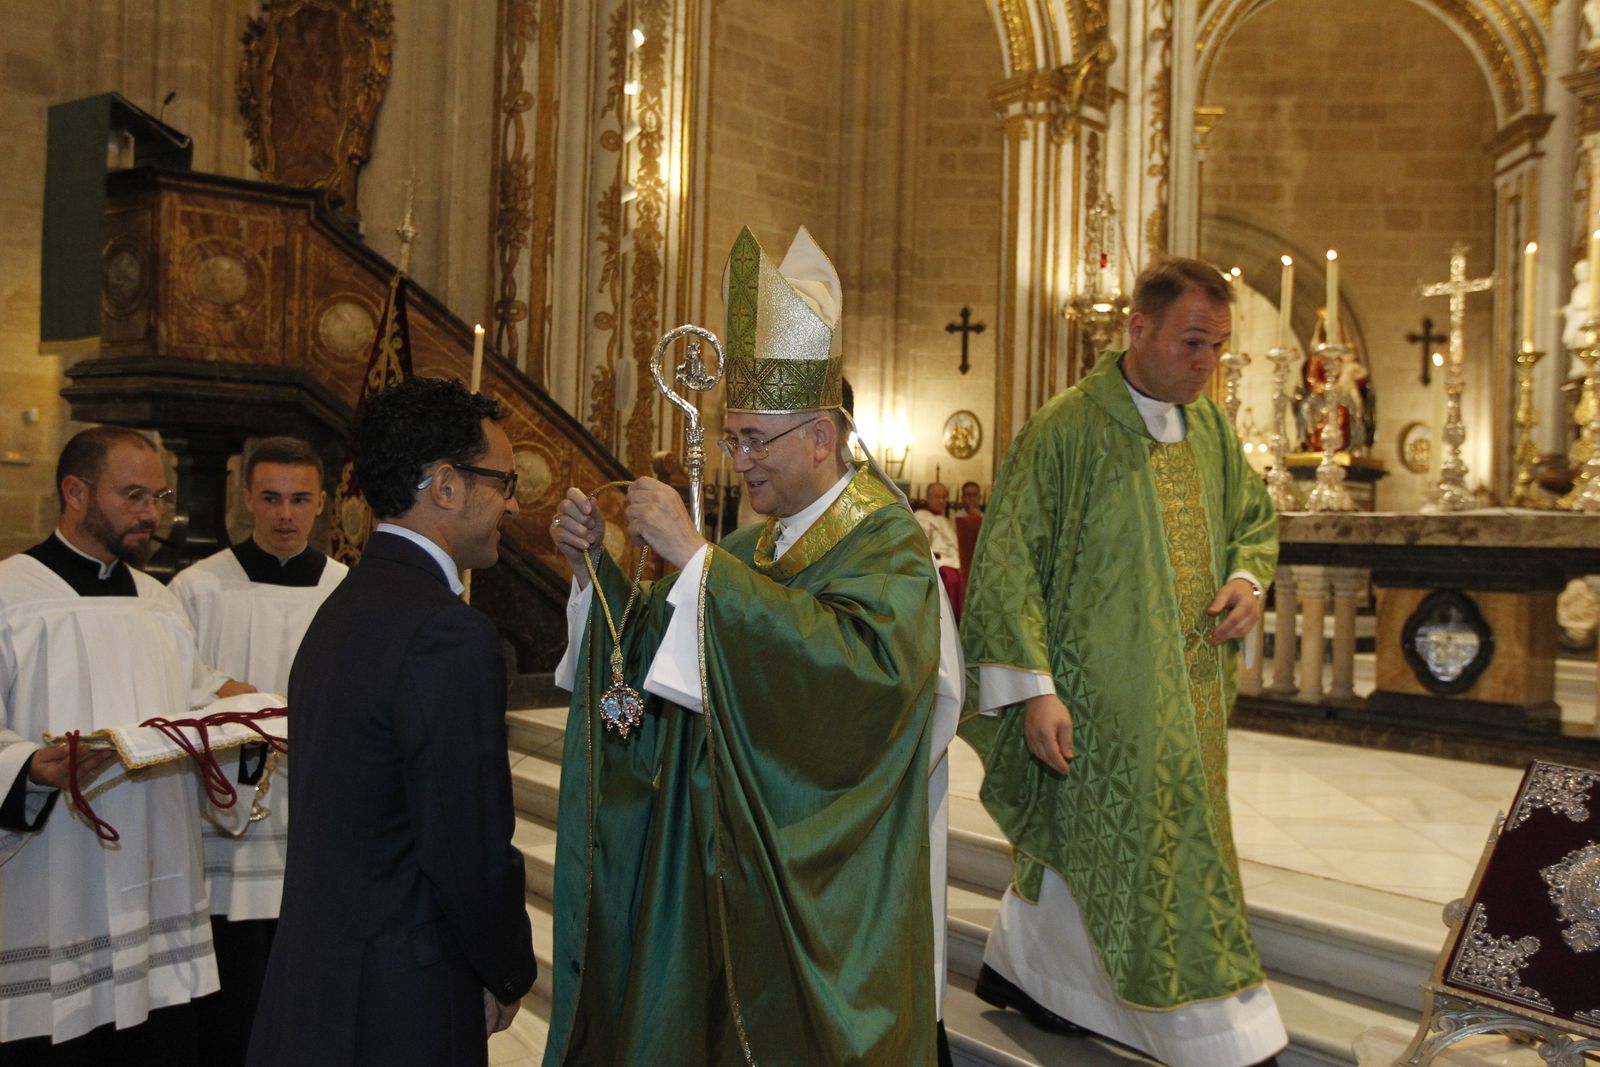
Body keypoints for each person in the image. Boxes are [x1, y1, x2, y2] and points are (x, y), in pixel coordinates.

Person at [544, 226, 959, 1066]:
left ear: (821, 433)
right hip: (732, 869)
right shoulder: (751, 550)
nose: (739, 463)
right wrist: (594, 573)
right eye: (732, 440)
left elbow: (864, 685)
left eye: (752, 441)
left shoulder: (888, 543)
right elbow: (657, 650)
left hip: (832, 876)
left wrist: (697, 559)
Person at [960, 257, 1285, 1067]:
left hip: (1191, 695)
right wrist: (1033, 690)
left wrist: (1248, 578)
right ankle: (1218, 1036)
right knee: (1148, 851)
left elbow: (1253, 516)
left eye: (1218, 346)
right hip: (1096, 702)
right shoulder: (1066, 426)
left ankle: (1036, 975)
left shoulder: (1211, 429)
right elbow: (1008, 562)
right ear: (1138, 329)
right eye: (1193, 342)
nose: (1207, 362)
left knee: (1102, 849)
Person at [248, 378, 535, 1067]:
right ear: (444, 485)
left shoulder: (343, 606)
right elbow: (467, 845)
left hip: (316, 987)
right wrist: (505, 968)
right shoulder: (446, 633)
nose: (513, 503)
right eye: (503, 481)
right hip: (395, 998)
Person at [0, 426, 252, 1062]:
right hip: (55, 868)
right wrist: (30, 767)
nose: (152, 514)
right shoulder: (12, 597)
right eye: (133, 495)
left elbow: (194, 698)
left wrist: (245, 719)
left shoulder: (159, 603)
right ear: (75, 491)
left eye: (159, 496)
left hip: (155, 866)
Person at [168, 436, 348, 1064]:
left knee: (304, 976)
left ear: (322, 503)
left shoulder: (345, 590)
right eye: (270, 498)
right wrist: (221, 690)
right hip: (223, 822)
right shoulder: (195, 590)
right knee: (232, 986)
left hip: (314, 814)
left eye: (300, 499)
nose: (284, 515)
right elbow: (174, 683)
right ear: (246, 498)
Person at [914, 481, 964, 618]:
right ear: (928, 497)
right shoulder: (921, 516)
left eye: (944, 497)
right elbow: (921, 544)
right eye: (937, 497)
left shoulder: (945, 519)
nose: (942, 501)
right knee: (951, 578)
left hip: (953, 561)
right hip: (938, 562)